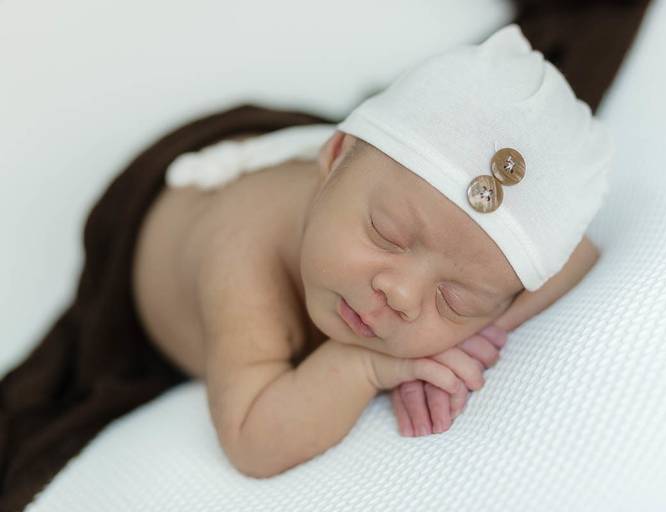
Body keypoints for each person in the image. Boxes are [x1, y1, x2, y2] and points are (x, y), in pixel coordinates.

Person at [132, 24, 611, 478]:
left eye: (454, 299)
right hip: (163, 218)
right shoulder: (243, 257)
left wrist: (480, 330)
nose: (401, 295)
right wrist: (368, 367)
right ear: (334, 155)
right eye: (387, 235)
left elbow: (578, 254)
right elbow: (250, 439)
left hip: (365, 175)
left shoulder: (388, 202)